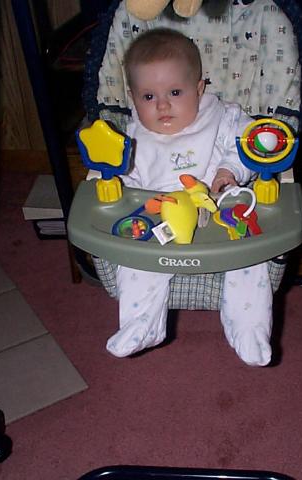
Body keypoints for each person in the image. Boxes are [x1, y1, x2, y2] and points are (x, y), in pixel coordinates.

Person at [105, 28, 273, 366]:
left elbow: (251, 143)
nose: (162, 105)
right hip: (163, 221)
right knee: (135, 259)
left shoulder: (221, 117)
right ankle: (142, 325)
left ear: (198, 89)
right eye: (148, 96)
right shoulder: (133, 137)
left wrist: (229, 171)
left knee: (250, 257)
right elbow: (126, 179)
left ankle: (249, 329)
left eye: (175, 92)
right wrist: (121, 187)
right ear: (132, 98)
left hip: (220, 213)